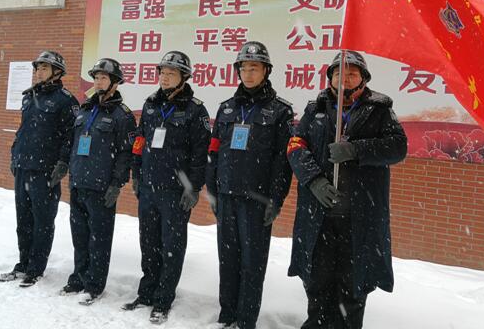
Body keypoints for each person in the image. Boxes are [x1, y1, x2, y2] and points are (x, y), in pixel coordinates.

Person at [286, 50, 408, 329]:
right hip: (319, 218)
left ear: (363, 78)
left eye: (352, 72)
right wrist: (314, 180)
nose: (345, 76)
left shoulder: (379, 109)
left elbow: (398, 148)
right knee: (317, 282)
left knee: (352, 287)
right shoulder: (315, 108)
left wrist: (356, 150)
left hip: (358, 220)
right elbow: (295, 146)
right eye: (339, 72)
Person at [205, 41, 294, 329]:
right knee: (227, 260)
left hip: (257, 201)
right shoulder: (227, 109)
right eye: (244, 68)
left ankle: (245, 320)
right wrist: (212, 190)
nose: (248, 73)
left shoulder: (280, 112)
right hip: (227, 196)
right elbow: (214, 152)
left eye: (254, 68)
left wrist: (276, 200)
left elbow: (283, 162)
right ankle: (227, 314)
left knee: (252, 264)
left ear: (266, 71)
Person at [123, 51, 210, 325]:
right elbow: (139, 141)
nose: (164, 77)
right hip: (148, 187)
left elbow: (200, 153)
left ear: (184, 77)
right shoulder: (150, 104)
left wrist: (193, 187)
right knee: (148, 243)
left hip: (175, 192)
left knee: (171, 246)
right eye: (162, 72)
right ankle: (147, 292)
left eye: (171, 73)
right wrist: (136, 173)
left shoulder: (196, 110)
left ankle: (163, 299)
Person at [0, 50, 79, 287]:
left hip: (46, 170)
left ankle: (36, 268)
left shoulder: (66, 100)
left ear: (57, 72)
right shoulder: (29, 97)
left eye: (44, 68)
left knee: (42, 221)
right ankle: (23, 264)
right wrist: (15, 154)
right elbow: (23, 130)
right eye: (38, 68)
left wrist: (62, 163)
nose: (39, 72)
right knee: (23, 220)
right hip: (24, 166)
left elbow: (69, 136)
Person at [60, 58, 136, 305]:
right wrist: (65, 166)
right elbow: (72, 142)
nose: (98, 81)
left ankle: (94, 285)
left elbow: (125, 153)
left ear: (115, 82)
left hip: (102, 187)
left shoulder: (122, 115)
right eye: (96, 77)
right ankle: (78, 278)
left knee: (99, 238)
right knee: (79, 235)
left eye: (103, 77)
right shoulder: (85, 109)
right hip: (79, 181)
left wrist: (117, 183)